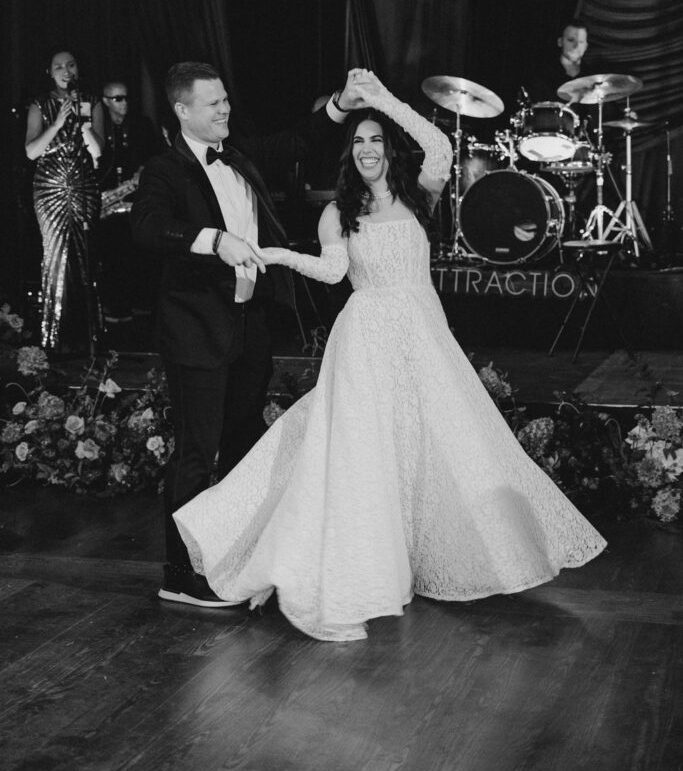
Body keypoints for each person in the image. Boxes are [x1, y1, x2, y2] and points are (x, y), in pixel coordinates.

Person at [172, 69, 607, 642]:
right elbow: (333, 272)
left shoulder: (418, 196)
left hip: (422, 337)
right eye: (358, 142)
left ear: (389, 148)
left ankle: (431, 554)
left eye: (376, 140)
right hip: (365, 338)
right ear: (348, 155)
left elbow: (440, 145)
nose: (367, 149)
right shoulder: (338, 213)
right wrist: (277, 255)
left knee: (440, 441)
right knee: (362, 453)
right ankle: (353, 565)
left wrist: (382, 101)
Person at [130, 61, 361, 607]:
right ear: (182, 110)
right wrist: (214, 240)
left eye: (226, 99)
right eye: (213, 103)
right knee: (195, 453)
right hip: (197, 329)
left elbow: (297, 140)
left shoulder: (238, 155)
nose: (225, 109)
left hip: (249, 326)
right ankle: (180, 575)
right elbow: (146, 227)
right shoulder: (164, 170)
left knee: (243, 448)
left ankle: (233, 562)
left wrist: (342, 103)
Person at [25, 50, 103, 352]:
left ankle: (88, 335)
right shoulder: (39, 104)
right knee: (56, 253)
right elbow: (31, 151)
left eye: (70, 65)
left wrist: (84, 124)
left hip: (83, 184)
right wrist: (57, 123)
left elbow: (98, 151)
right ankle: (55, 335)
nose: (65, 71)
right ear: (50, 72)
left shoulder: (92, 102)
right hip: (50, 187)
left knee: (85, 252)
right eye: (58, 66)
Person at [98, 79, 164, 322]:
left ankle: (142, 303)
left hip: (136, 200)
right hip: (108, 203)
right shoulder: (98, 127)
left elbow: (154, 156)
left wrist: (141, 175)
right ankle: (116, 306)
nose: (124, 103)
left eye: (126, 97)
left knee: (140, 252)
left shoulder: (141, 125)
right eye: (118, 98)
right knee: (112, 253)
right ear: (105, 101)